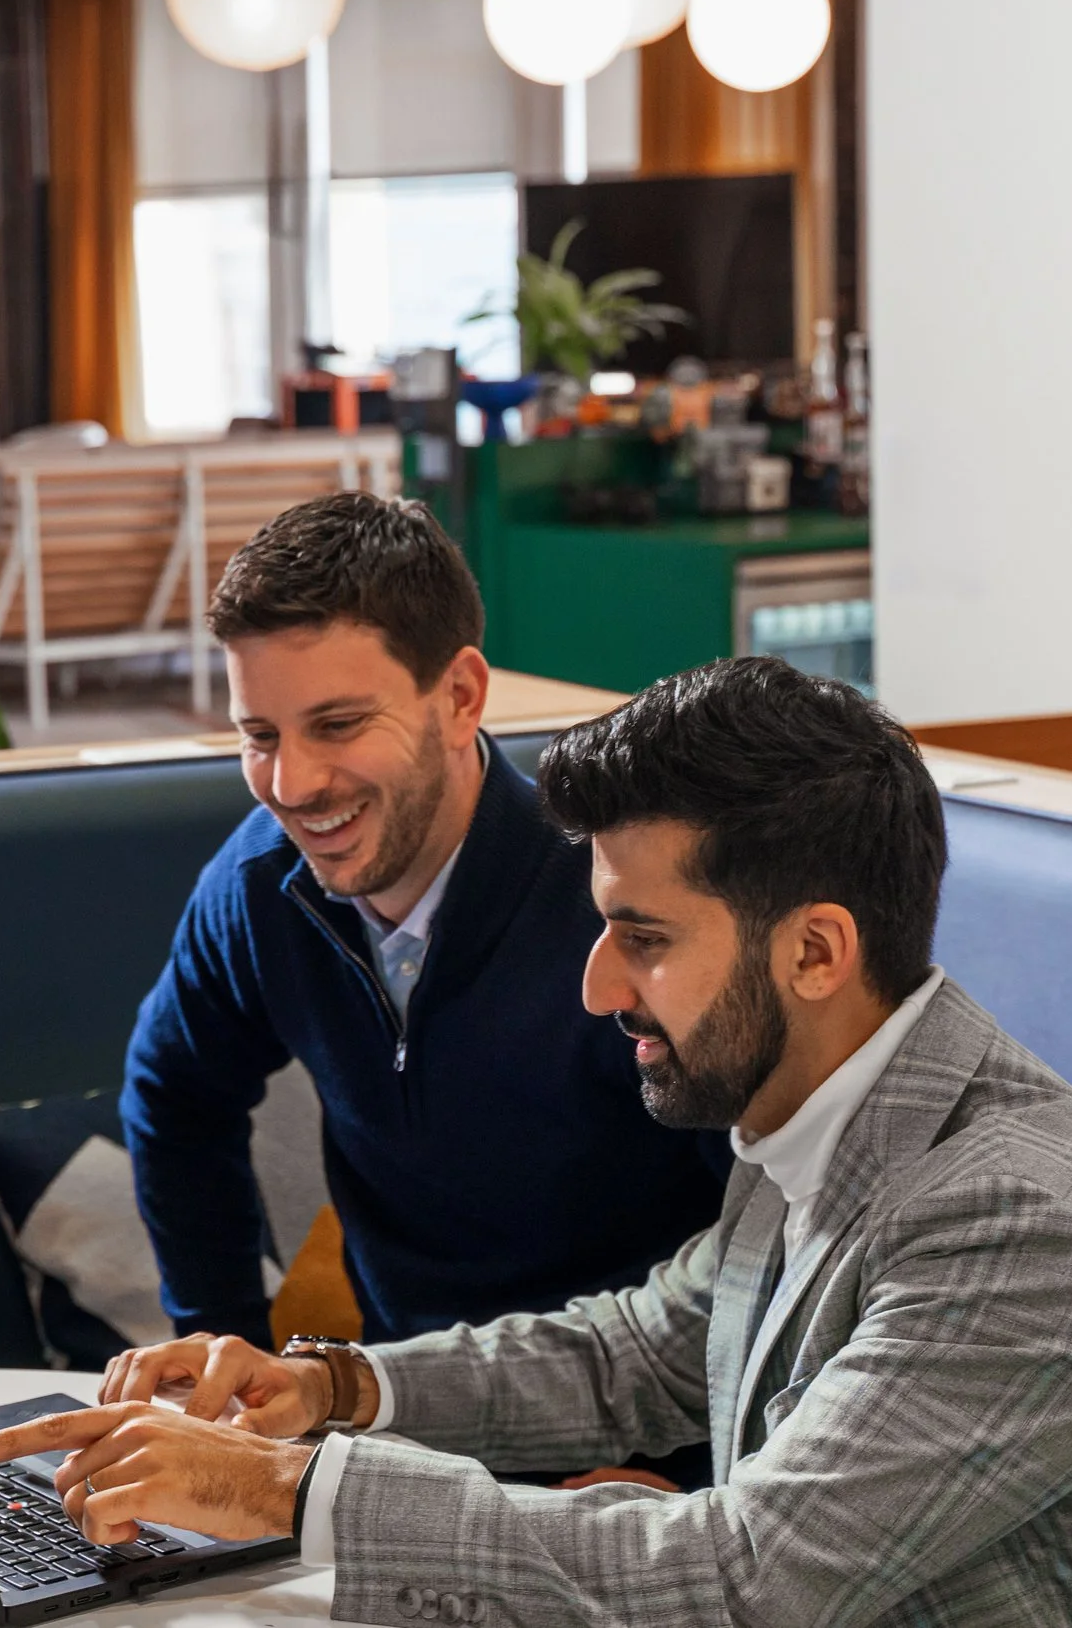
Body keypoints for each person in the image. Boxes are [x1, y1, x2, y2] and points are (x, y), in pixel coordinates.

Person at [0, 657, 1072, 1627]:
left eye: (646, 938)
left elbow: (744, 1578)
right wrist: (327, 1390)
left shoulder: (1020, 1227)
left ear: (815, 950)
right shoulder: (811, 1126)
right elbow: (645, 1350)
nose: (597, 989)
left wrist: (292, 1489)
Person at [120, 492, 727, 1369]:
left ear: (460, 698)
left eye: (337, 725)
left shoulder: (621, 900)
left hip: (632, 1429)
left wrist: (684, 1469)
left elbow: (767, 1217)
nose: (292, 783)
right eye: (260, 735)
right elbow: (173, 1095)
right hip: (397, 1406)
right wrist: (226, 1349)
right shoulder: (260, 885)